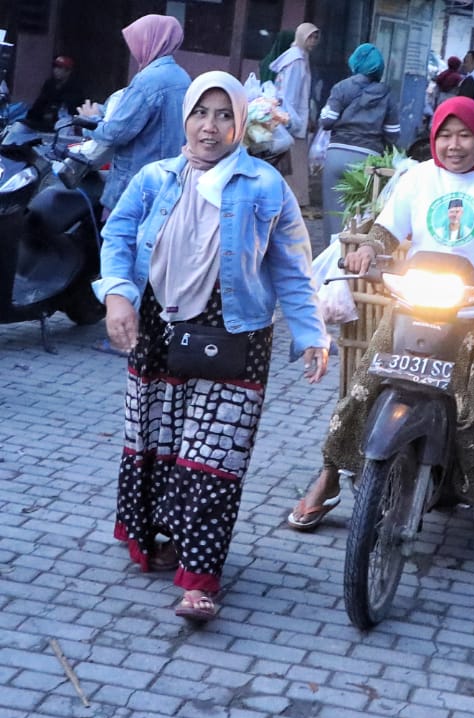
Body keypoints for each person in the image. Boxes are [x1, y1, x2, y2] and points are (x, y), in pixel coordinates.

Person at [285, 97, 474, 581]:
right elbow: (386, 230)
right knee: (363, 391)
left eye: (465, 135)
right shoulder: (417, 177)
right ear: (433, 137)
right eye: (445, 135)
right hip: (417, 305)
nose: (454, 146)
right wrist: (368, 250)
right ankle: (327, 481)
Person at [95, 71, 330, 623]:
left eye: (225, 115)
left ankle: (200, 579)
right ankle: (157, 536)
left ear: (242, 124)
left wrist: (311, 331)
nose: (211, 126)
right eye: (202, 112)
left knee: (213, 458)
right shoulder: (155, 178)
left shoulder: (265, 186)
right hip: (155, 326)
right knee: (158, 440)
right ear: (186, 117)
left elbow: (293, 268)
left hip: (236, 334)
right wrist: (117, 296)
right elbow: (118, 238)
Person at [76, 15, 190, 214]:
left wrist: (92, 119)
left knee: (119, 242)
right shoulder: (183, 78)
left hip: (135, 186)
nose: (134, 49)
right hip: (169, 182)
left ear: (151, 41)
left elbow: (116, 133)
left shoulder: (147, 81)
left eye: (137, 42)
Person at [318, 43, 401, 240]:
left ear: (355, 62)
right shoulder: (386, 94)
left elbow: (327, 121)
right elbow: (393, 133)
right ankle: (353, 257)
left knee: (333, 214)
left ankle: (331, 256)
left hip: (336, 156)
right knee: (360, 216)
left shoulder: (341, 87)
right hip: (367, 162)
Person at [270, 22, 320, 205]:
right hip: (291, 118)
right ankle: (294, 200)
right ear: (301, 37)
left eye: (315, 37)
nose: (313, 41)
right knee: (294, 161)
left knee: (295, 159)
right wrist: (290, 120)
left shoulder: (300, 56)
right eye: (310, 37)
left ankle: (295, 200)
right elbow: (289, 94)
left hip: (294, 117)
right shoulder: (296, 60)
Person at [26, 56, 84, 132]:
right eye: (55, 67)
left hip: (64, 123)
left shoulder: (75, 87)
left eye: (60, 68)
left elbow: (71, 109)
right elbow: (39, 103)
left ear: (68, 71)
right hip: (43, 122)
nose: (56, 70)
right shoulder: (49, 84)